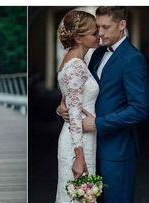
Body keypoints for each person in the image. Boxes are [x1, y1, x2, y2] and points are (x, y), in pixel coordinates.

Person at [57, 7, 148, 203]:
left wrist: (99, 124)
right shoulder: (96, 54)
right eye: (97, 27)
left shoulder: (134, 59)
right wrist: (61, 105)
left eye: (105, 27)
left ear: (122, 25)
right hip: (91, 147)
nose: (100, 33)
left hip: (117, 151)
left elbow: (140, 109)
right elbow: (80, 89)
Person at [55, 10, 100, 203]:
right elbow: (73, 113)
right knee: (77, 197)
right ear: (79, 38)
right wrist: (79, 157)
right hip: (78, 142)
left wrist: (59, 107)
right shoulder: (75, 65)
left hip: (83, 137)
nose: (99, 35)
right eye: (94, 33)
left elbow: (67, 102)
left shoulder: (73, 59)